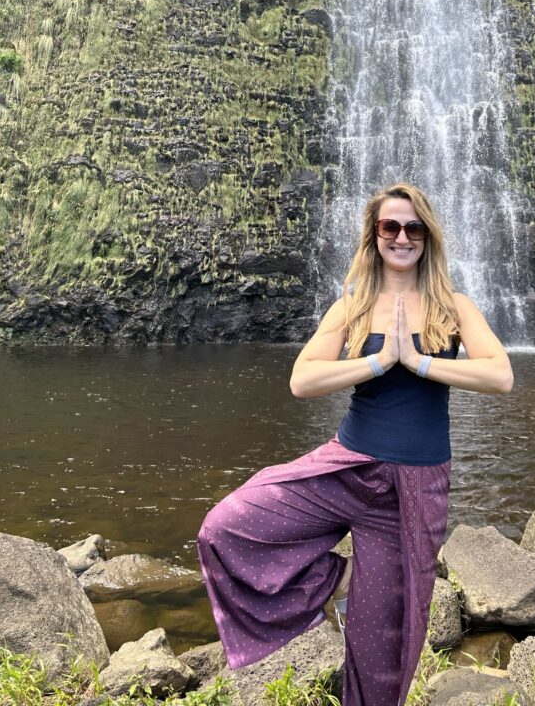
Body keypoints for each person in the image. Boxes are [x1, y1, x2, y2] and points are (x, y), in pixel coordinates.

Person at [197, 182, 512, 706]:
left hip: (414, 485)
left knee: (380, 657)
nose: (402, 237)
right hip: (346, 466)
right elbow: (302, 380)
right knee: (225, 527)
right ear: (374, 235)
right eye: (391, 226)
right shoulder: (352, 304)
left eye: (413, 228)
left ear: (427, 237)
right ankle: (340, 582)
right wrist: (377, 361)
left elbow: (501, 375)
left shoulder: (454, 307)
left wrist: (419, 362)